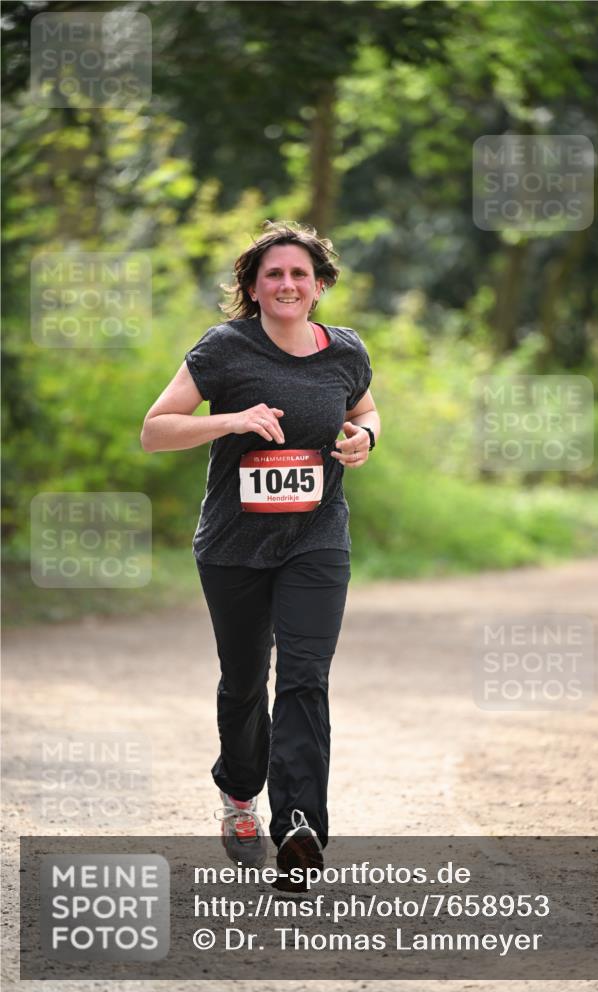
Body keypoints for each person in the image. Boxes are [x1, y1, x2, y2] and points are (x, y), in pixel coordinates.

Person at [140, 221, 380, 880]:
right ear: (252, 286)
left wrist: (365, 437)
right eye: (273, 273)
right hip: (234, 545)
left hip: (316, 538)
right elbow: (155, 430)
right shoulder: (224, 348)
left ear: (320, 285)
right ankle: (239, 792)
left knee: (304, 677)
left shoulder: (345, 350)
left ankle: (299, 826)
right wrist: (231, 420)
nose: (287, 284)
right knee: (245, 680)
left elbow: (365, 410)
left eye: (300, 273)